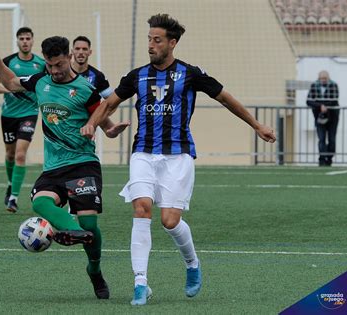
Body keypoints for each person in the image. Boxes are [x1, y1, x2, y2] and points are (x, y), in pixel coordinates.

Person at [80, 13, 276, 306]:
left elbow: (225, 98)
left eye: (157, 40)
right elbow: (109, 102)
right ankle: (140, 283)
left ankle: (192, 263)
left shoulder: (191, 73)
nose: (151, 45)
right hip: (143, 153)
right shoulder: (137, 76)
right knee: (142, 208)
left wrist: (257, 125)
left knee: (170, 221)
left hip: (178, 156)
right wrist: (93, 124)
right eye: (149, 39)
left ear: (172, 43)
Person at [0, 36, 129, 300]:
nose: (54, 71)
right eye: (49, 65)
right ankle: (73, 230)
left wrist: (109, 129)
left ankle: (94, 269)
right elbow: (11, 81)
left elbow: (102, 115)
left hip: (82, 164)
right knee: (40, 202)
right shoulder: (40, 82)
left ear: (68, 57)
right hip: (54, 166)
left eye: (58, 64)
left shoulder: (85, 89)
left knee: (89, 222)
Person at [0, 27, 46, 213]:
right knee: (10, 154)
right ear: (17, 41)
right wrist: (10, 89)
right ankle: (10, 182)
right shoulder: (8, 62)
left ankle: (13, 197)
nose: (25, 41)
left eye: (28, 38)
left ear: (32, 41)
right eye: (21, 38)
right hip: (8, 115)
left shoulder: (41, 64)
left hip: (29, 114)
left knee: (21, 154)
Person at [306, 70, 339, 166]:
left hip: (333, 116)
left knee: (332, 139)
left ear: (328, 78)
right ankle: (322, 159)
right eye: (322, 78)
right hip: (319, 116)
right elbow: (309, 101)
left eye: (325, 78)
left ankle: (329, 158)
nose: (323, 80)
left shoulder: (333, 85)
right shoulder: (314, 86)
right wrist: (320, 106)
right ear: (319, 78)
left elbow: (334, 100)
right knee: (321, 138)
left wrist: (325, 106)